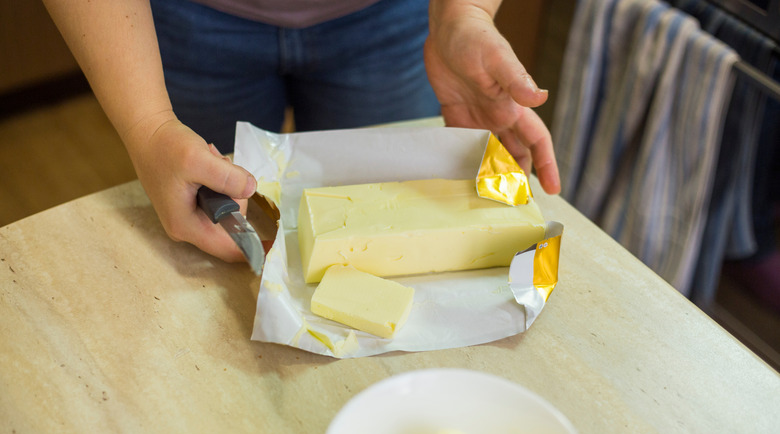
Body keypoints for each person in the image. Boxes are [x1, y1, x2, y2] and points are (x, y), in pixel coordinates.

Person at [43, 0, 561, 264]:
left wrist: (463, 11)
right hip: (183, 21)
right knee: (211, 252)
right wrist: (149, 124)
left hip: (394, 20)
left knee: (395, 225)